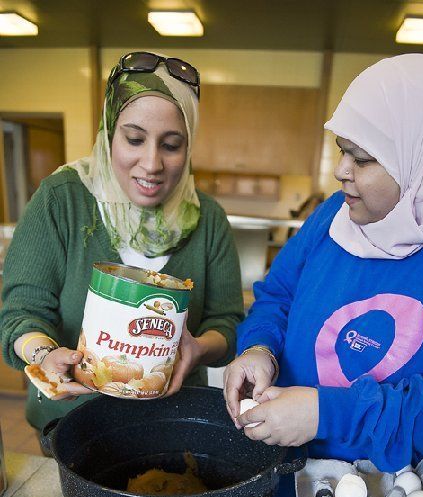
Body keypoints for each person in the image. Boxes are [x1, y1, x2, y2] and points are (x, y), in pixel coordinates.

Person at [224, 53, 423, 497]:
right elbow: (278, 296)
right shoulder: (333, 217)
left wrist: (326, 413)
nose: (341, 170)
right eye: (343, 149)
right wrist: (258, 348)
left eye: (362, 159)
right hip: (285, 478)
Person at [0, 51, 244, 432]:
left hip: (172, 423)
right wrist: (45, 354)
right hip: (71, 424)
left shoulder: (207, 218)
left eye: (171, 144)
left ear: (189, 146)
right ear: (109, 133)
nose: (151, 163)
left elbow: (226, 323)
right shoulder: (62, 201)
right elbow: (20, 315)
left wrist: (198, 349)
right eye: (134, 138)